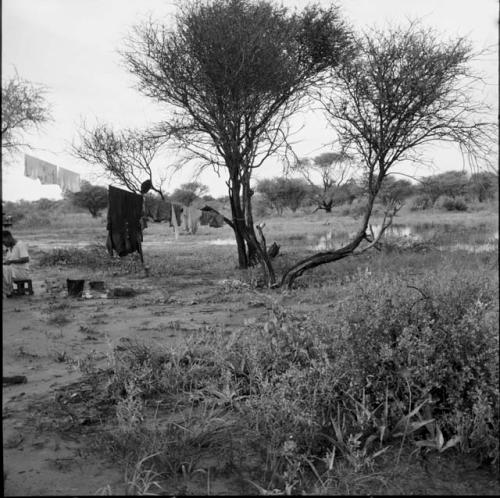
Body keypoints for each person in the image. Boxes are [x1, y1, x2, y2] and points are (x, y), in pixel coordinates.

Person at [3, 230, 30, 298]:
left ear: (9, 237)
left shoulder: (20, 245)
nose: (4, 244)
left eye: (3, 241)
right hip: (13, 271)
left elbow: (26, 259)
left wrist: (11, 261)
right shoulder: (9, 248)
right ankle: (8, 290)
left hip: (21, 272)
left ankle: (8, 291)